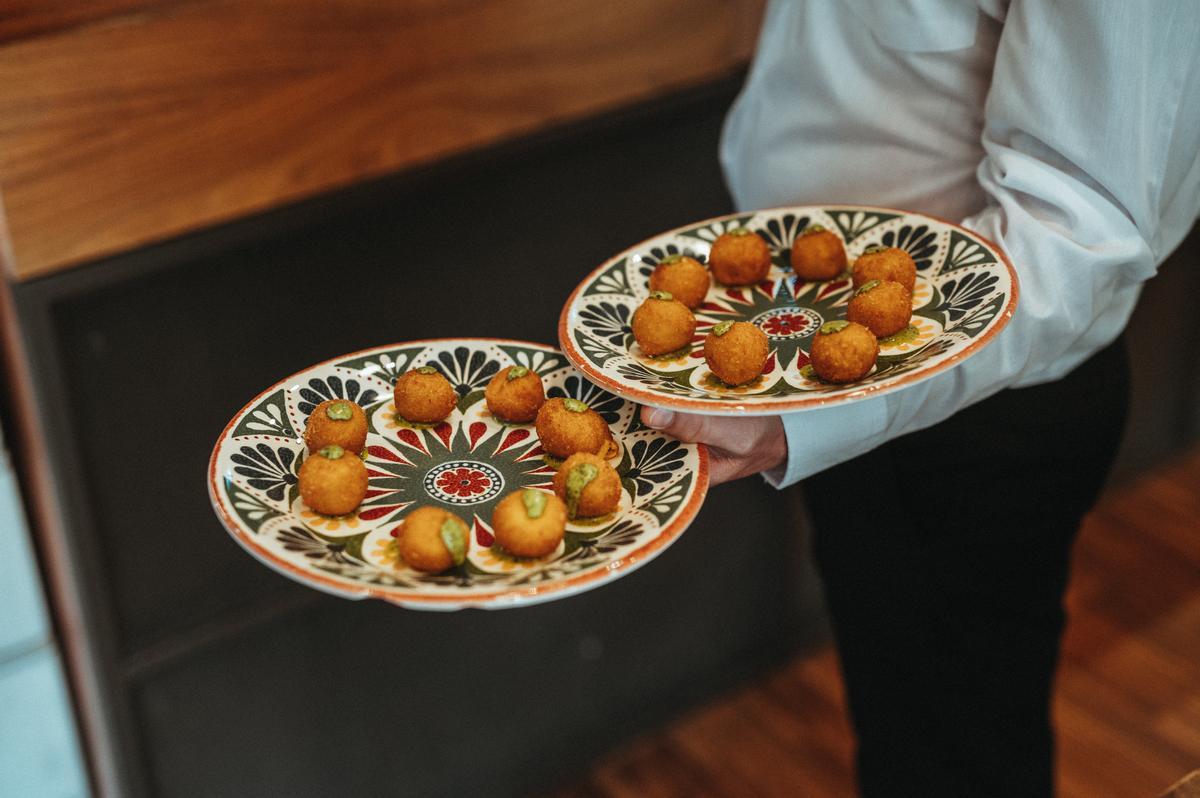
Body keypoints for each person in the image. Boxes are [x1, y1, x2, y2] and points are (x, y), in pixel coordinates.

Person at [641, 1, 1200, 794]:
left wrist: (816, 412)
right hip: (834, 363)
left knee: (956, 756)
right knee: (903, 717)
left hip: (970, 412)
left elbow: (1079, 230)